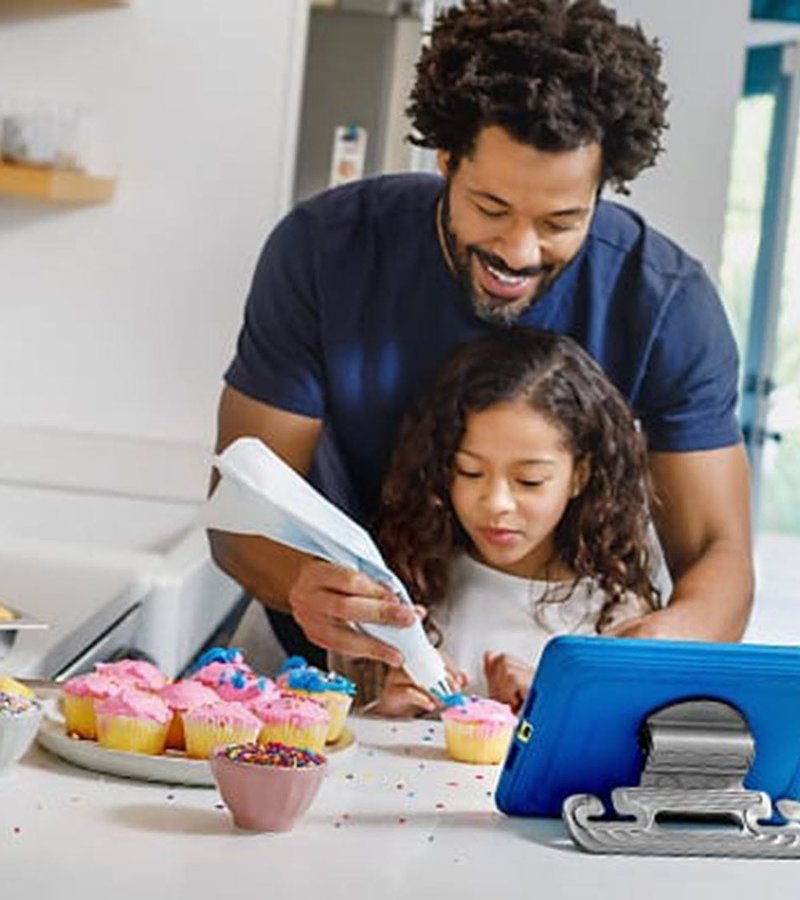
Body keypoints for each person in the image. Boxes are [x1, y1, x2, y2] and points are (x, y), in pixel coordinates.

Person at [209, 0, 753, 670]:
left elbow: (720, 558)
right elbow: (239, 515)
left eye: (560, 221)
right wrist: (304, 587)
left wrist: (657, 647)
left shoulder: (667, 304)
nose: (520, 251)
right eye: (491, 208)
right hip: (313, 660)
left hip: (547, 672)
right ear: (445, 159)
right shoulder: (326, 252)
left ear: (603, 188)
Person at [346, 328, 661, 717]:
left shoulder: (618, 614)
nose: (496, 504)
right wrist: (387, 713)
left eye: (529, 481)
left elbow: (622, 754)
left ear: (580, 475)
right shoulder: (408, 582)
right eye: (471, 472)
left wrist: (548, 714)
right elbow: (342, 743)